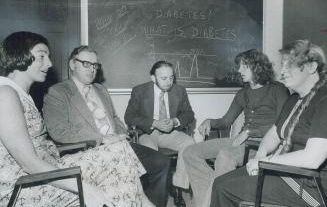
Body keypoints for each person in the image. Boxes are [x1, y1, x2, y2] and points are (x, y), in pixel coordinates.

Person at [0, 31, 154, 207]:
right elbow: (28, 163)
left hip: (47, 168)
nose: (49, 63)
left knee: (119, 149)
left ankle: (143, 203)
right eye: (42, 56)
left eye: (48, 57)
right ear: (20, 54)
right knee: (114, 179)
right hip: (24, 187)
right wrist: (84, 188)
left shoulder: (20, 94)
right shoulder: (5, 94)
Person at [43, 45, 170, 207]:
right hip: (88, 149)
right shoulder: (58, 92)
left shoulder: (100, 89)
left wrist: (123, 134)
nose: (92, 69)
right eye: (86, 64)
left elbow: (115, 118)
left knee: (161, 162)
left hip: (120, 144)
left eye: (95, 65)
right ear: (72, 64)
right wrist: (102, 139)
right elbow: (59, 132)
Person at [210, 40, 327, 207]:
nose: (282, 72)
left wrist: (268, 162)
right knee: (220, 182)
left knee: (225, 190)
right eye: (282, 65)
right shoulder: (294, 99)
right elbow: (274, 133)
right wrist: (259, 156)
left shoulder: (324, 100)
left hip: (311, 186)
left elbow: (312, 159)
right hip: (285, 172)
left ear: (312, 67)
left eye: (289, 66)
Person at [183, 49, 290, 207]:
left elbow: (283, 124)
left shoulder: (278, 89)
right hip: (240, 141)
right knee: (190, 152)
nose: (239, 70)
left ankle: (213, 200)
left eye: (244, 66)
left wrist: (249, 132)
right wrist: (210, 121)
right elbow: (226, 121)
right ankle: (209, 199)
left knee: (226, 155)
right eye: (239, 66)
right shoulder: (242, 93)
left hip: (263, 145)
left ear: (257, 67)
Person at [124, 60, 195, 205]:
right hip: (148, 132)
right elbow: (129, 116)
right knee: (152, 156)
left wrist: (174, 121)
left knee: (189, 143)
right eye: (164, 78)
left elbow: (189, 114)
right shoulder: (140, 91)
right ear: (153, 78)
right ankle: (152, 193)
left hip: (170, 133)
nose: (169, 82)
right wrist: (154, 123)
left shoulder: (179, 91)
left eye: (171, 77)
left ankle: (178, 187)